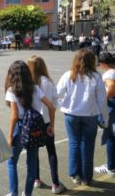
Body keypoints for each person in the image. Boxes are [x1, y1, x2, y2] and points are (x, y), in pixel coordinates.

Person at [57, 48, 108, 186]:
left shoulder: (68, 75)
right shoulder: (96, 77)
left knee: (74, 143)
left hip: (71, 114)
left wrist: (63, 103)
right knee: (88, 145)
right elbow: (102, 100)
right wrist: (105, 118)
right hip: (90, 115)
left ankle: (75, 174)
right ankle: (86, 177)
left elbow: (57, 94)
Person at [5, 61, 56, 196]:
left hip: (20, 126)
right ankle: (27, 193)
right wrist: (51, 125)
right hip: (34, 127)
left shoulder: (12, 90)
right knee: (31, 163)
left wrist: (9, 137)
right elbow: (51, 106)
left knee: (11, 162)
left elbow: (14, 116)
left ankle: (13, 192)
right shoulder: (34, 87)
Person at [27, 56, 65, 193]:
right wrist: (52, 124)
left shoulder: (29, 83)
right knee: (51, 151)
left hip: (33, 122)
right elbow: (54, 102)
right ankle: (55, 183)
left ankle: (36, 179)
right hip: (47, 120)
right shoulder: (48, 82)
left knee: (34, 151)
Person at [94, 52, 115, 176]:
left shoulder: (109, 73)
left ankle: (111, 167)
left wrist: (104, 100)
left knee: (111, 136)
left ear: (103, 64)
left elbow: (111, 88)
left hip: (112, 106)